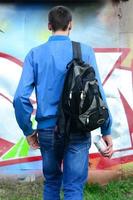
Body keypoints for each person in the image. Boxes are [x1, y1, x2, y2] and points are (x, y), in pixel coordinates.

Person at [13, 5, 113, 200]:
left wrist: (28, 130)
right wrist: (106, 130)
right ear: (71, 25)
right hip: (78, 129)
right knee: (74, 188)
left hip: (48, 130)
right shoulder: (85, 51)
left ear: (49, 25)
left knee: (51, 183)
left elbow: (20, 98)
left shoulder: (35, 54)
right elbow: (98, 92)